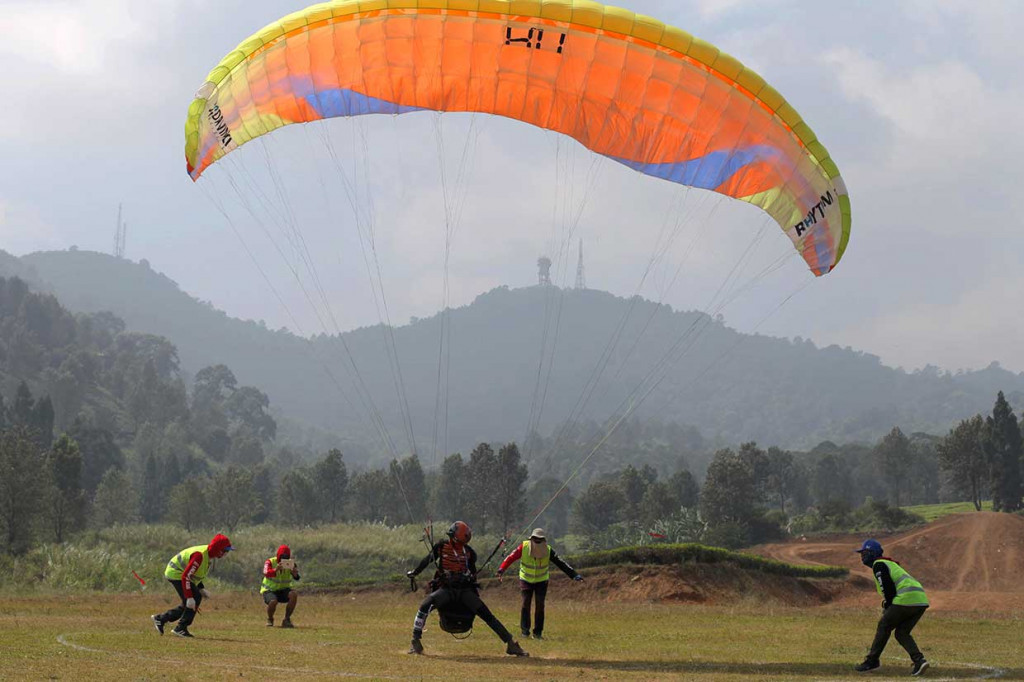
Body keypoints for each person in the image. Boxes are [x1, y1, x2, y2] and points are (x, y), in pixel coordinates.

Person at [405, 520, 528, 657]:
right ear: (453, 537)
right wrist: (415, 573)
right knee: (425, 606)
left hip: (464, 590)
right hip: (446, 589)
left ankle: (511, 644)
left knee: (486, 614)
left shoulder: (468, 552)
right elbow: (427, 560)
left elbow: (473, 574)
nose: (460, 545)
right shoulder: (441, 547)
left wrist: (468, 577)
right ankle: (415, 641)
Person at [854, 539, 930, 676]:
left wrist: (888, 605)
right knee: (901, 633)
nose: (862, 556)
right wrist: (888, 603)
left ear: (872, 553)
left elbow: (888, 588)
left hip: (905, 599)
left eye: (864, 553)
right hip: (920, 601)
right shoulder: (889, 563)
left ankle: (872, 661)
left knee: (884, 625)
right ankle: (919, 661)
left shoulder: (879, 564)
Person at [497, 528, 583, 639]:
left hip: (541, 581)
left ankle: (537, 633)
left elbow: (561, 563)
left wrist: (574, 575)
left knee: (540, 606)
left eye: (540, 539)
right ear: (531, 538)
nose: (537, 540)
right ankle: (525, 632)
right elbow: (510, 557)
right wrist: (501, 569)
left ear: (543, 540)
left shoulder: (548, 550)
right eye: (535, 538)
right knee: (525, 604)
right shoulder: (523, 547)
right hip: (526, 579)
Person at [152, 533, 233, 638]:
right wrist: (190, 597)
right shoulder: (199, 555)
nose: (225, 554)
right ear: (217, 549)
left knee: (193, 600)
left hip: (181, 575)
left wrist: (201, 588)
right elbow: (186, 576)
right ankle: (179, 628)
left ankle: (162, 619)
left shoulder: (208, 555)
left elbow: (195, 574)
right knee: (192, 600)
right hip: (176, 573)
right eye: (224, 551)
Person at [262, 544, 300, 628]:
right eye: (282, 557)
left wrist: (295, 573)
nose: (284, 559)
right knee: (273, 602)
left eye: (286, 557)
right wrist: (276, 570)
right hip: (269, 590)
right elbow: (266, 573)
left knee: (293, 595)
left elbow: (297, 577)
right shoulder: (270, 562)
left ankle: (287, 619)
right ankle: (270, 619)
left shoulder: (291, 564)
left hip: (283, 590)